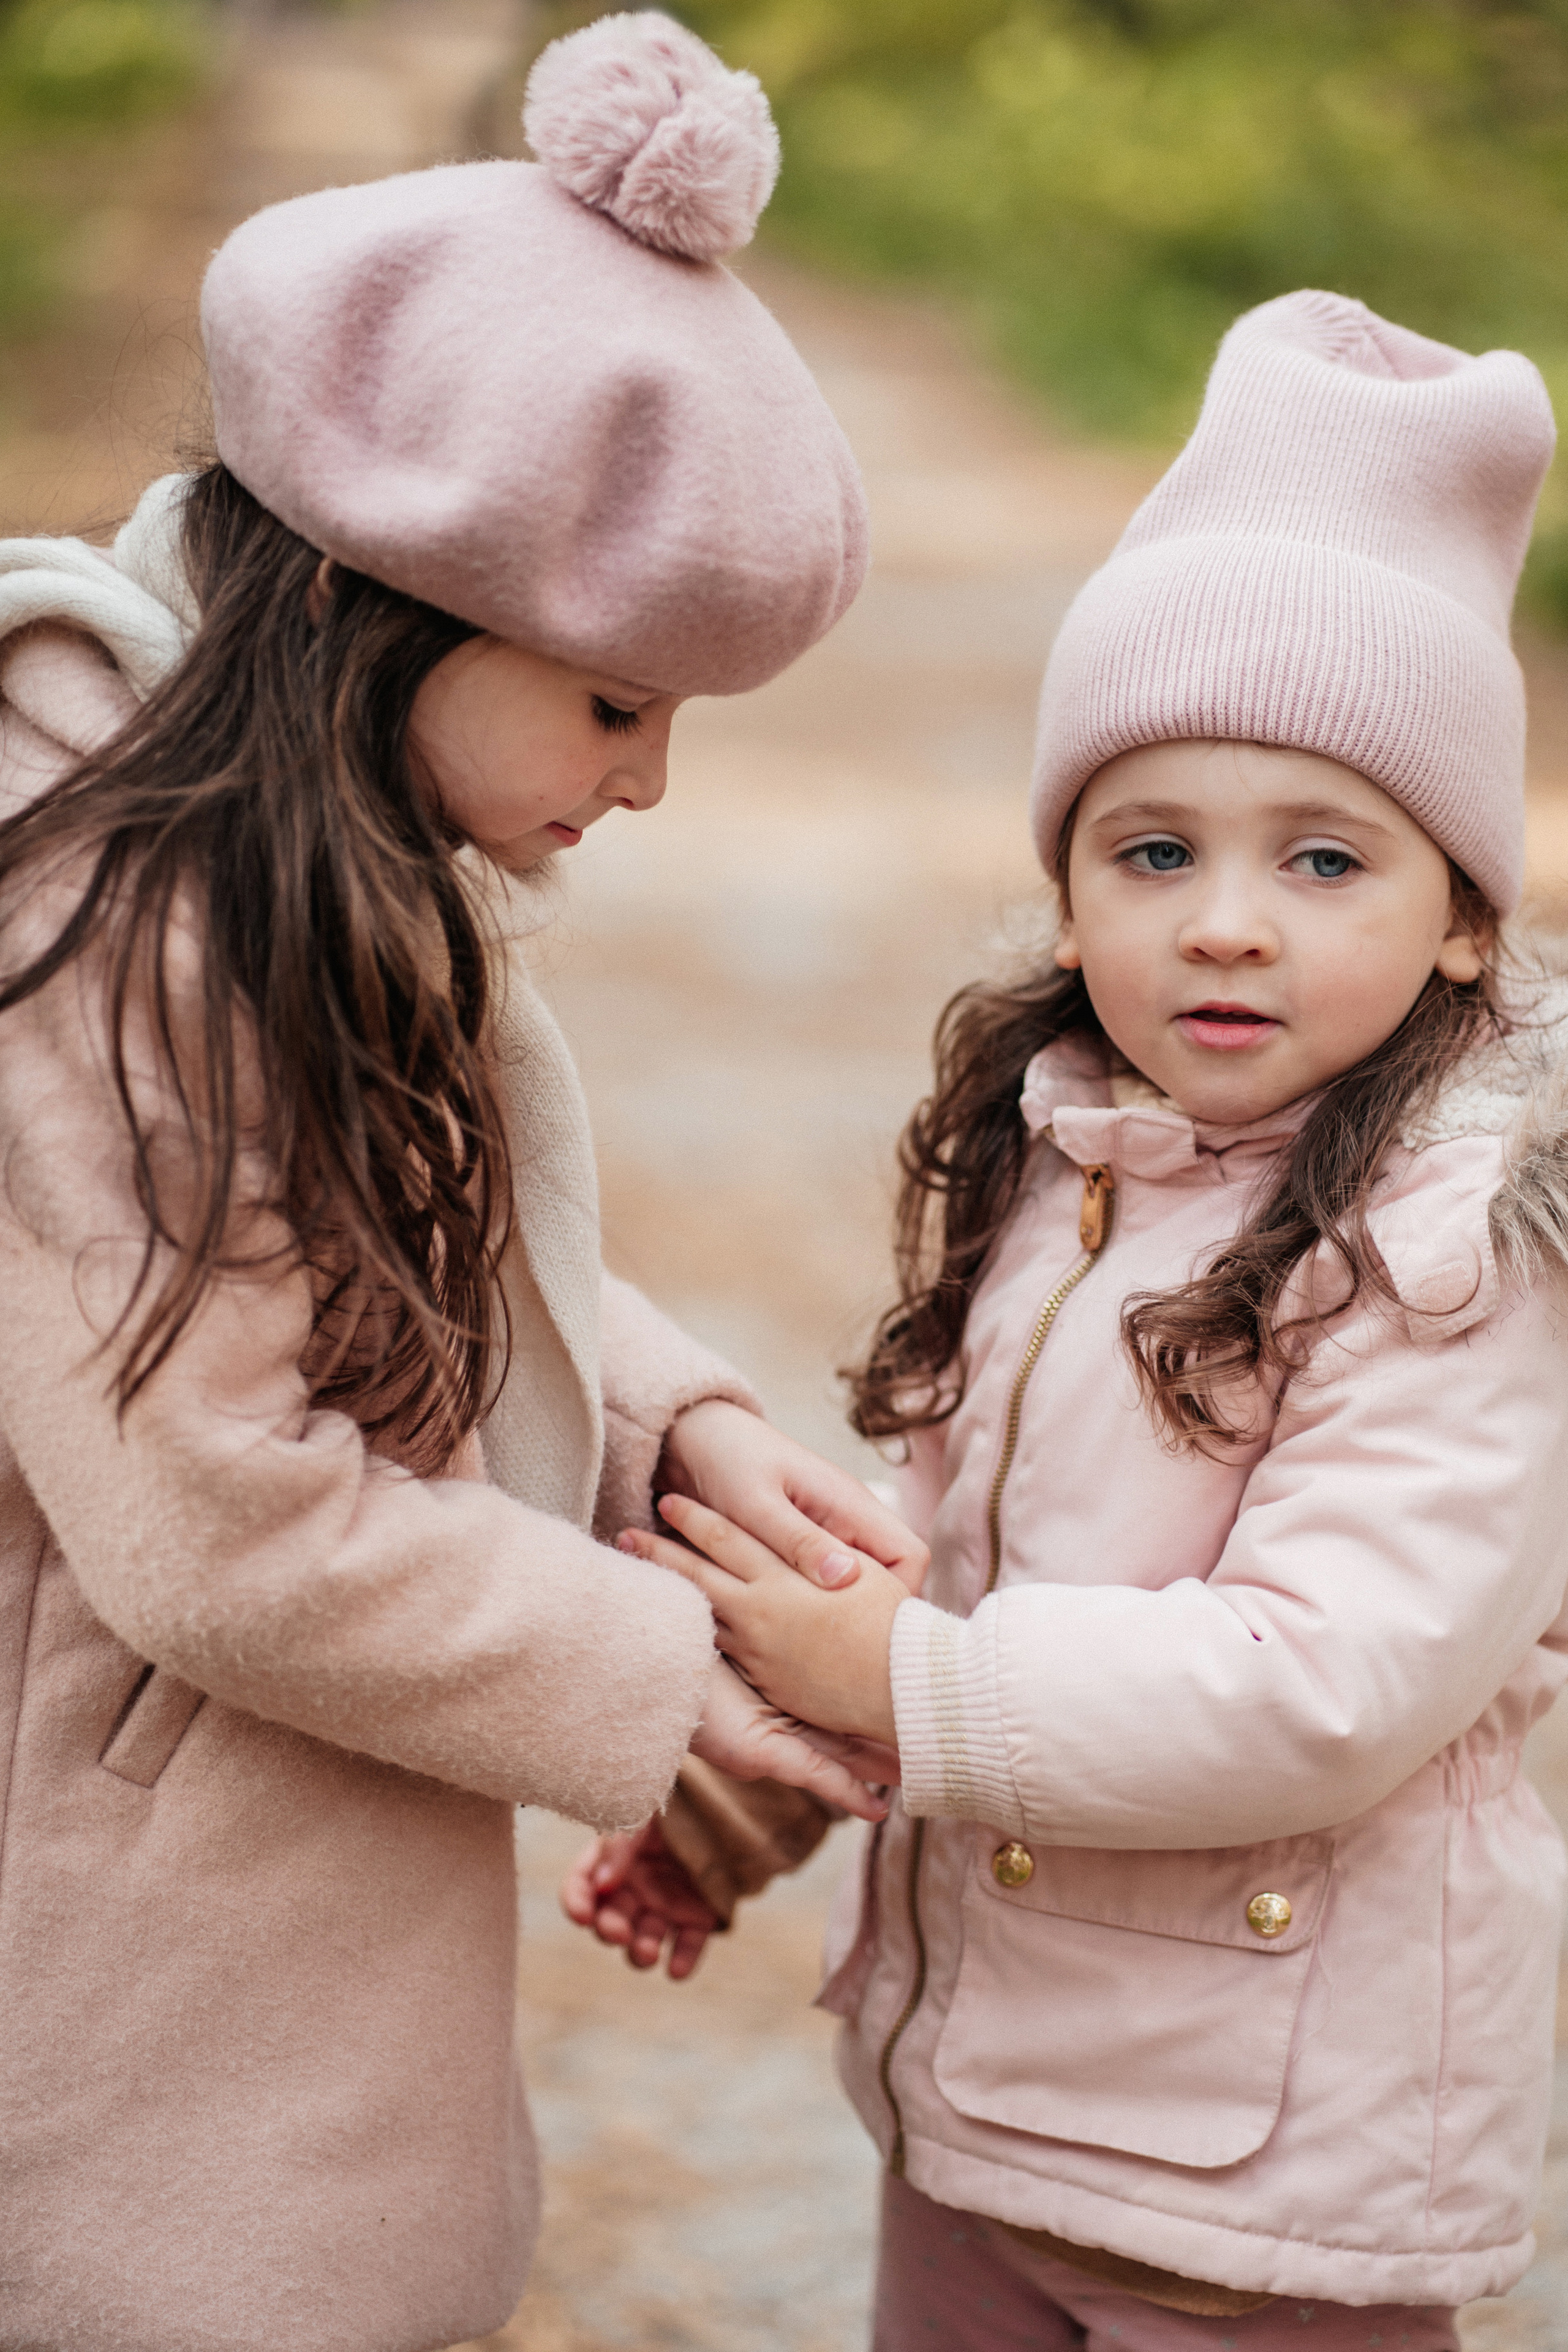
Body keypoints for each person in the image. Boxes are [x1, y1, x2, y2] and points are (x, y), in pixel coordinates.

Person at [0, 15, 930, 2352]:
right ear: (370, 603)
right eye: (616, 704)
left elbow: (396, 1234)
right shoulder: (97, 918)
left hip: (265, 1882)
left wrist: (668, 1428)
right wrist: (685, 1676)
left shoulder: (290, 842)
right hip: (124, 1927)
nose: (646, 787)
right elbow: (219, 1514)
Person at [578, 291, 1568, 2348]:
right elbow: (959, 1557)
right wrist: (757, 1788)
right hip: (985, 2109)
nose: (1224, 915)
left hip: (1266, 2165)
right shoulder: (1076, 1149)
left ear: (1465, 909)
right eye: (1153, 847)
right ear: (1066, 889)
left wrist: (914, 1687)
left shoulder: (1462, 1254)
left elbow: (1329, 1681)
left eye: (1322, 857)